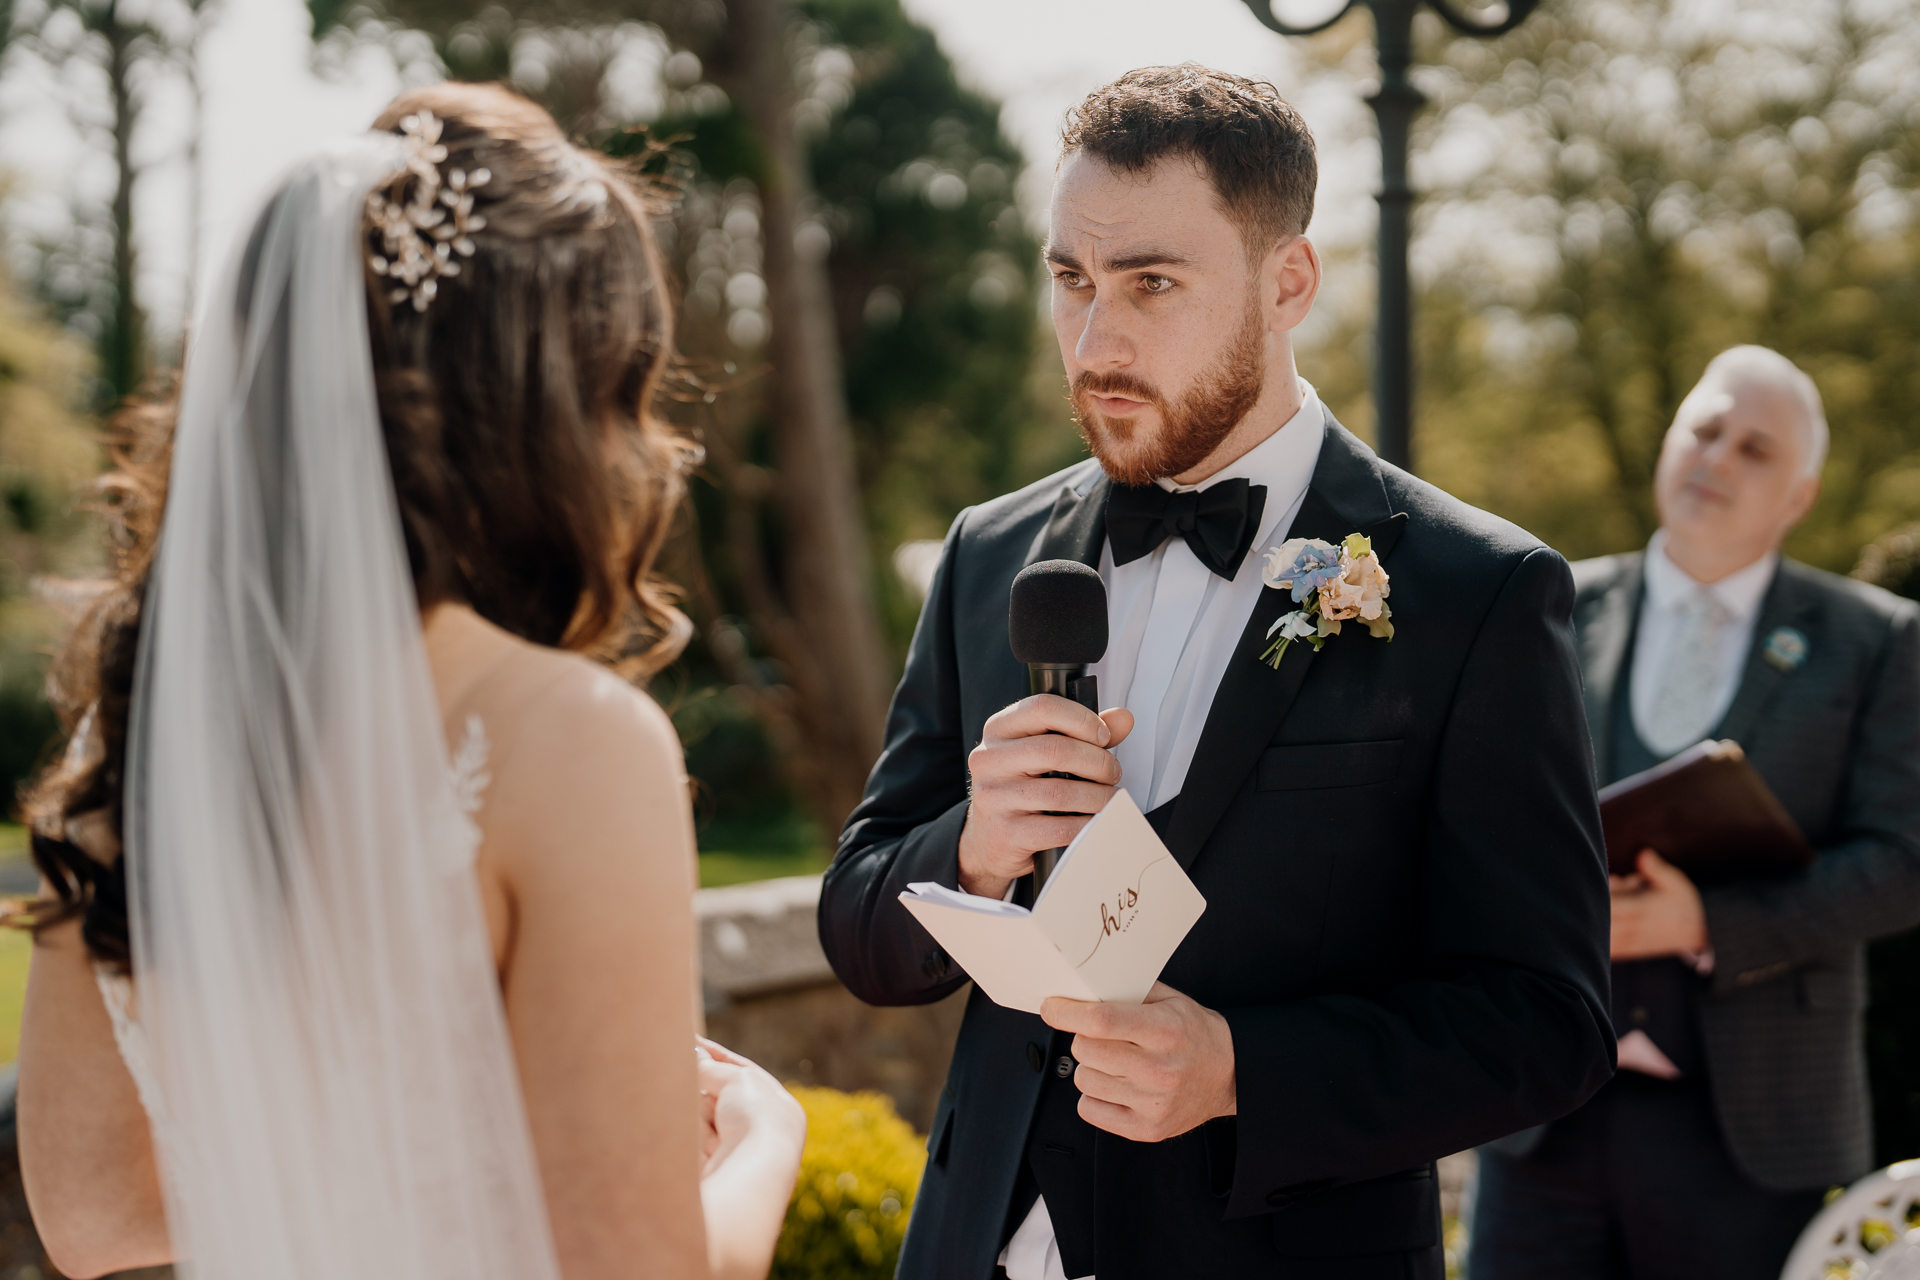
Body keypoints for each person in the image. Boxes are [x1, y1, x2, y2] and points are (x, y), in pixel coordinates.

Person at [816, 64, 1615, 1280]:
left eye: (1151, 284)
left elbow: (1549, 1024)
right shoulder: (989, 553)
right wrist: (970, 845)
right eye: (1071, 280)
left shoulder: (1476, 591)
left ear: (1287, 280)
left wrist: (1244, 1064)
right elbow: (860, 923)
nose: (1095, 340)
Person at [13, 84, 805, 1280]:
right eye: (622, 393)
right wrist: (762, 1142)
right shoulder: (576, 741)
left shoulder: (129, 744)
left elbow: (90, 1213)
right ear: (542, 414)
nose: (646, 445)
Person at [1469, 346, 1920, 1279]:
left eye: (1755, 449)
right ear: (1669, 442)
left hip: (1751, 1128)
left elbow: (1903, 861)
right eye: (1706, 430)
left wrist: (1704, 922)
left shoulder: (1877, 641)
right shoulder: (1544, 603)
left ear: (1799, 495)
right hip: (1540, 1110)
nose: (1718, 458)